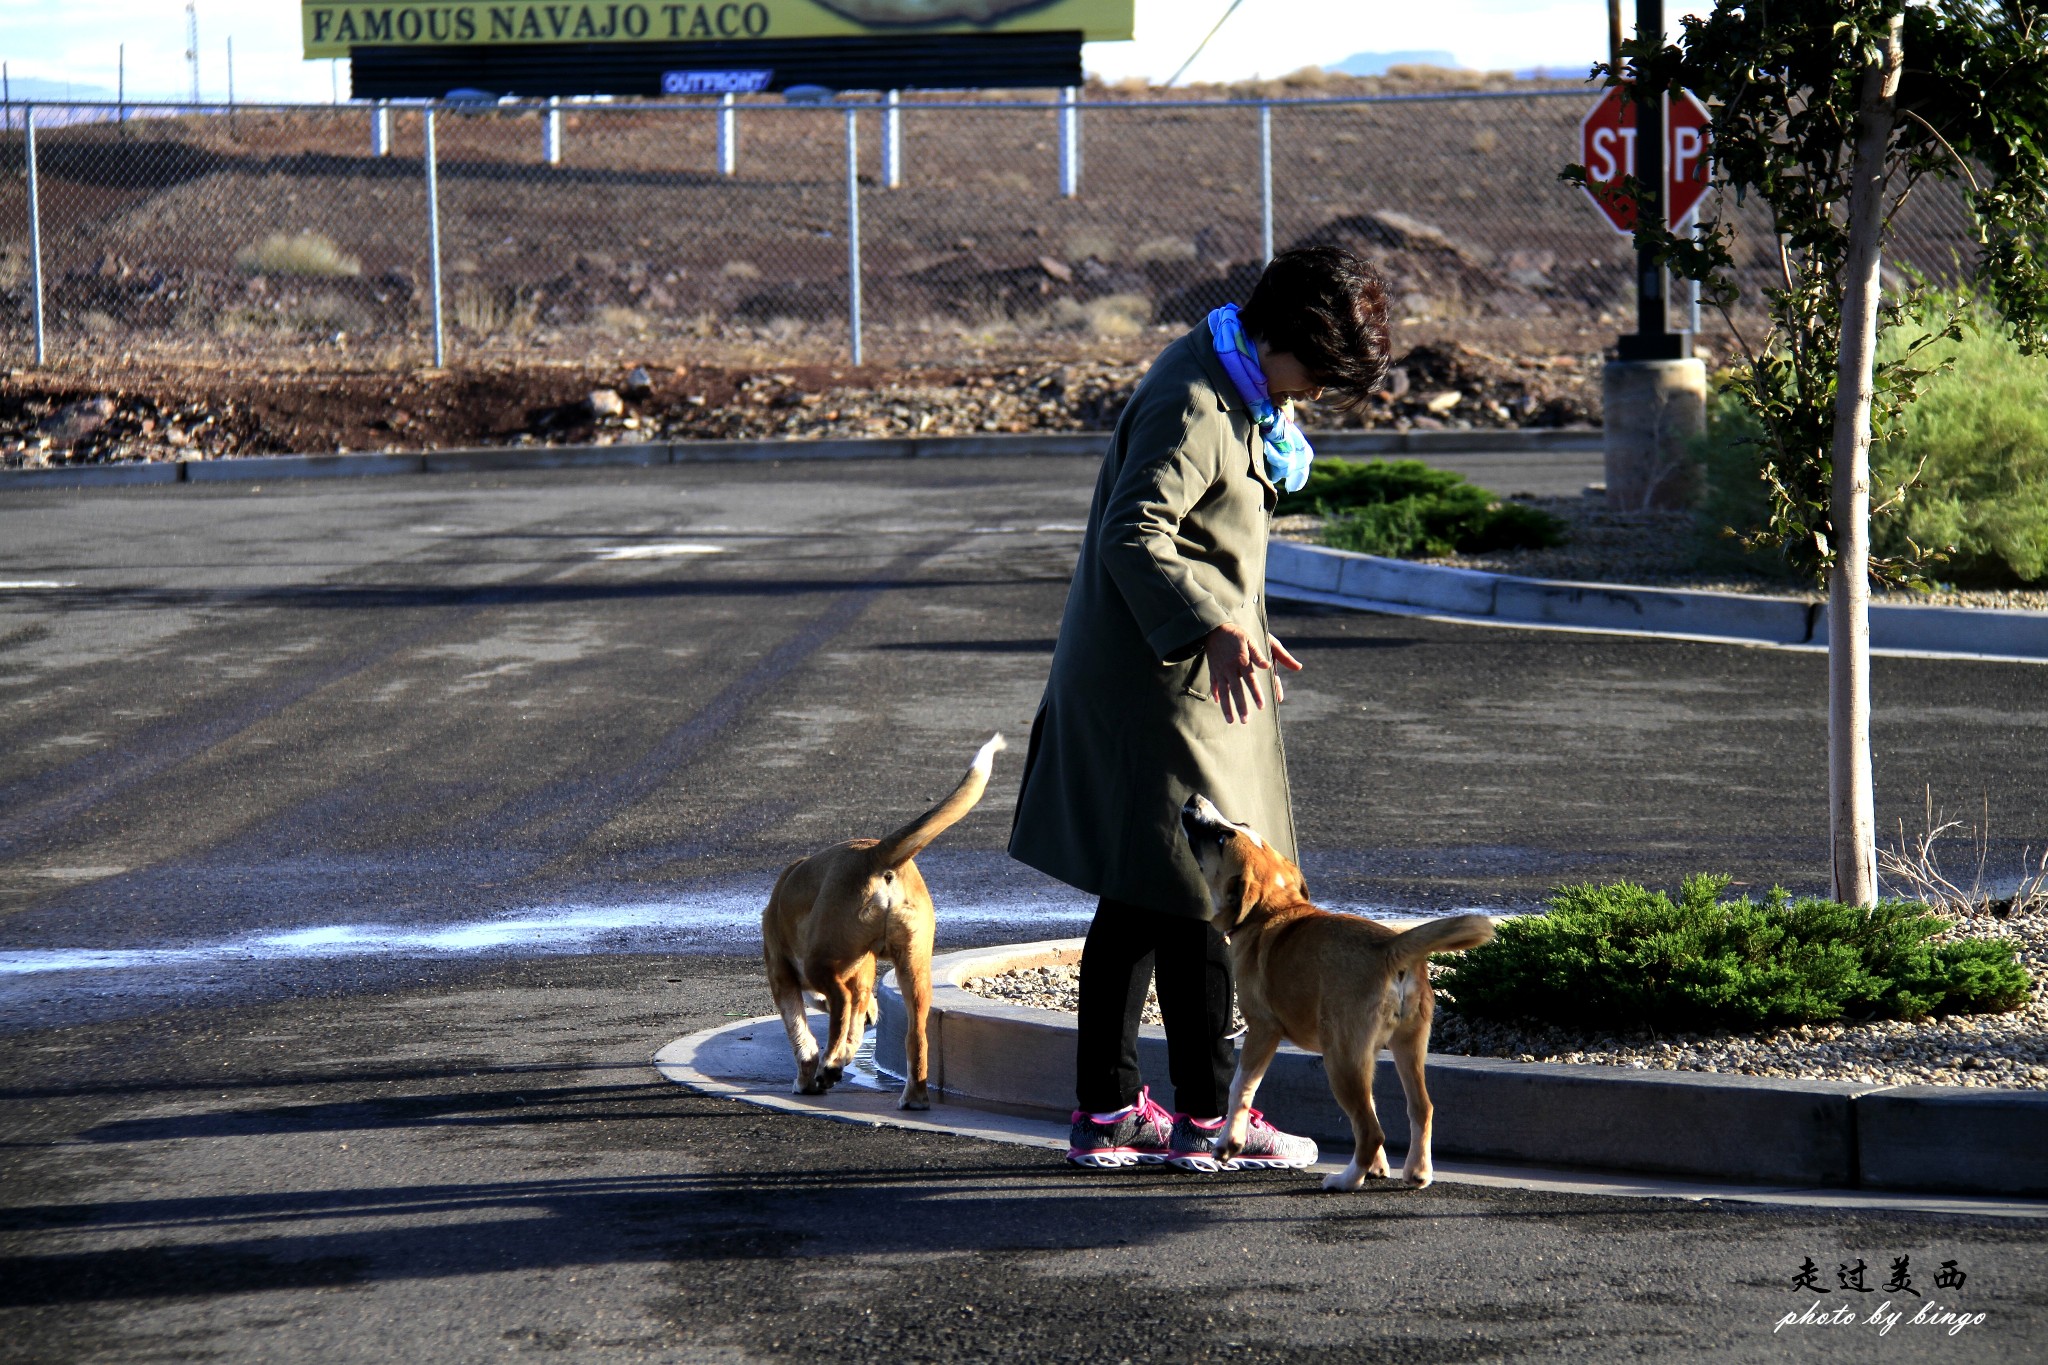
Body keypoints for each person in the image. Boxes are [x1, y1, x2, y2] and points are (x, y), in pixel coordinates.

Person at [1009, 244, 1393, 1171]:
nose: (1312, 397)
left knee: (1167, 898)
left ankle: (1159, 1114)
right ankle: (1172, 1116)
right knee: (1185, 895)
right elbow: (1133, 530)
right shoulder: (1195, 400)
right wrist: (1217, 621)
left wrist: (1229, 624)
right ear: (1280, 338)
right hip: (1159, 684)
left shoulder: (1236, 387)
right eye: (1315, 374)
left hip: (1178, 675)